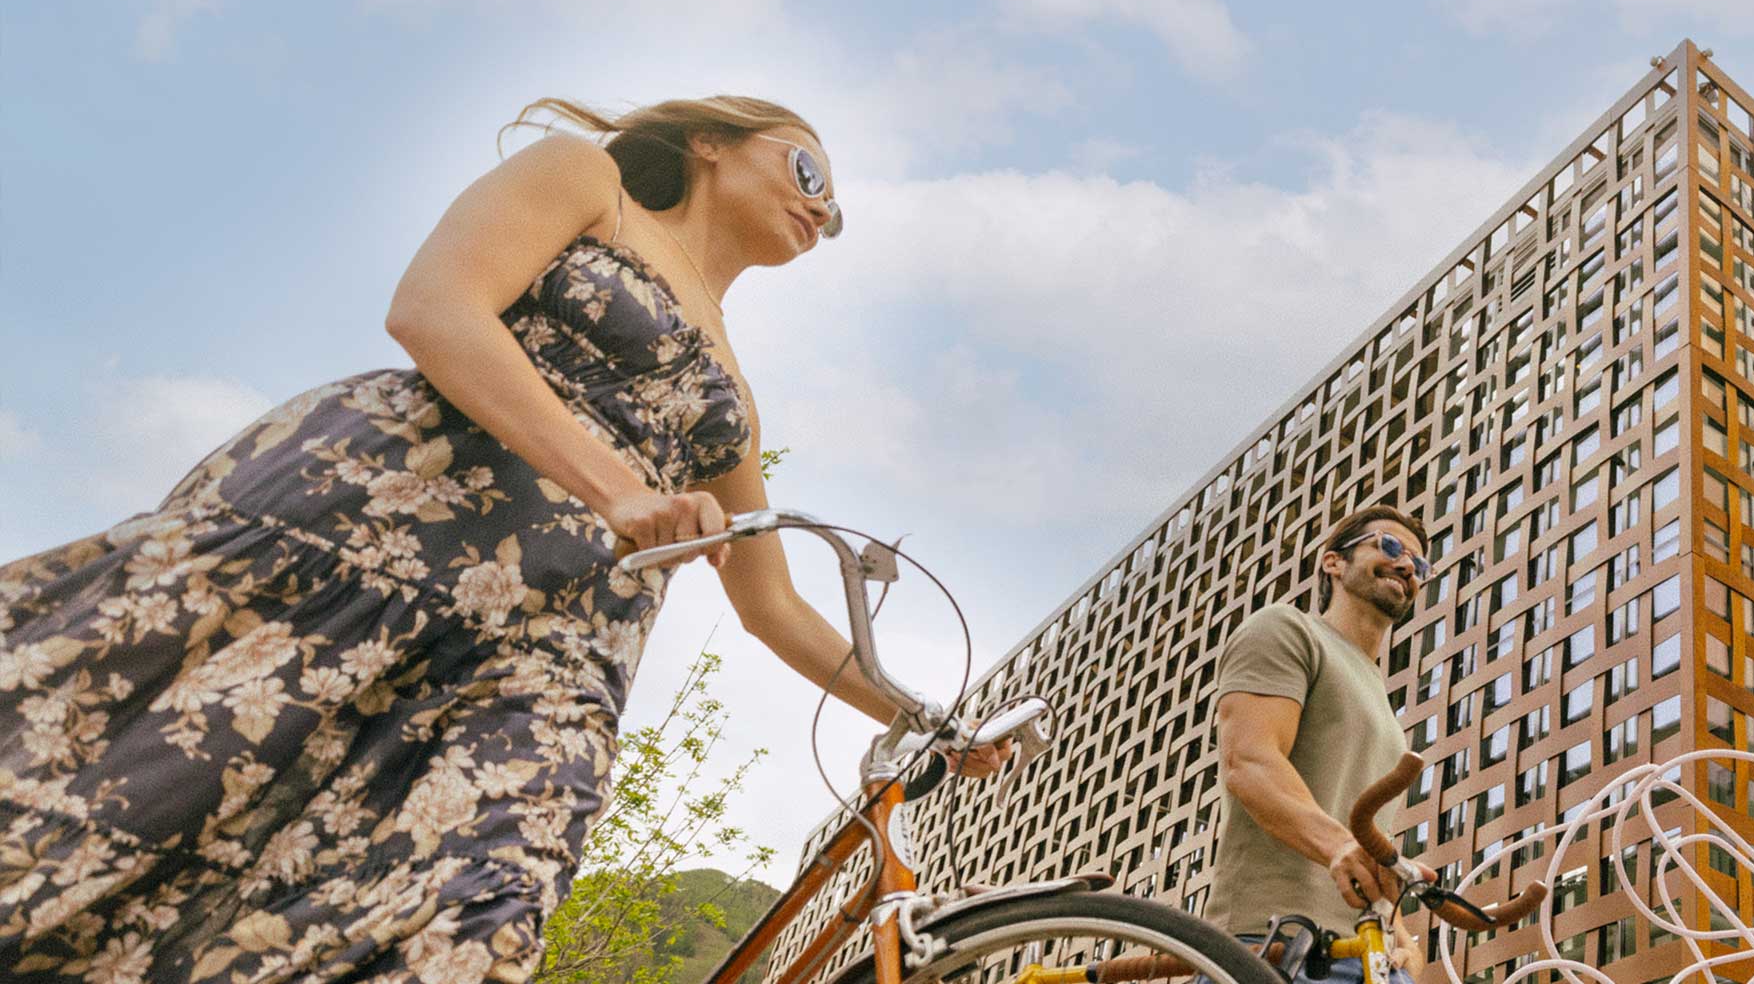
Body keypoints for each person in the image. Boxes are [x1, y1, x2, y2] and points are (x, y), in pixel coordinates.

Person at [0, 96, 1008, 981]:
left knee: (485, 900)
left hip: (551, 650)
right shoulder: (587, 181)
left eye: (835, 213)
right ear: (712, 139)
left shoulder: (733, 397)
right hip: (377, 534)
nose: (823, 210)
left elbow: (769, 602)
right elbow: (436, 308)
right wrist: (614, 487)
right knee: (138, 787)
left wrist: (924, 713)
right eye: (810, 172)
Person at [1207, 504, 1439, 984]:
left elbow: (1363, 840)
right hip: (1273, 944)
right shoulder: (1288, 630)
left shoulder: (1382, 703)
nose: (1406, 566)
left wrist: (1401, 933)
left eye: (1419, 566)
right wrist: (1339, 847)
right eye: (1389, 546)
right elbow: (1249, 762)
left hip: (1364, 956)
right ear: (1333, 562)